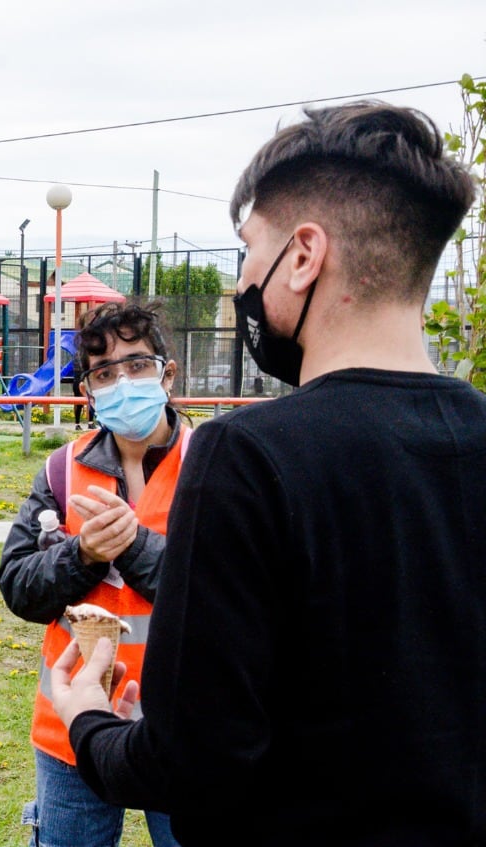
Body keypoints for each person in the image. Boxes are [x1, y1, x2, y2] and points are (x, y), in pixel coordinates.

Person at [49, 102, 484, 846]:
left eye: (249, 248)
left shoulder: (247, 457)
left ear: (306, 254)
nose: (246, 276)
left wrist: (86, 718)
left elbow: (194, 761)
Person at [0, 302, 187, 847]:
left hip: (185, 728)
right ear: (89, 391)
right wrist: (81, 555)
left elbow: (229, 597)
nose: (122, 381)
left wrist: (133, 546)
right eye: (104, 372)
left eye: (137, 364)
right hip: (73, 723)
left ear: (167, 374)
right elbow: (18, 586)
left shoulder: (213, 465)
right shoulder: (62, 469)